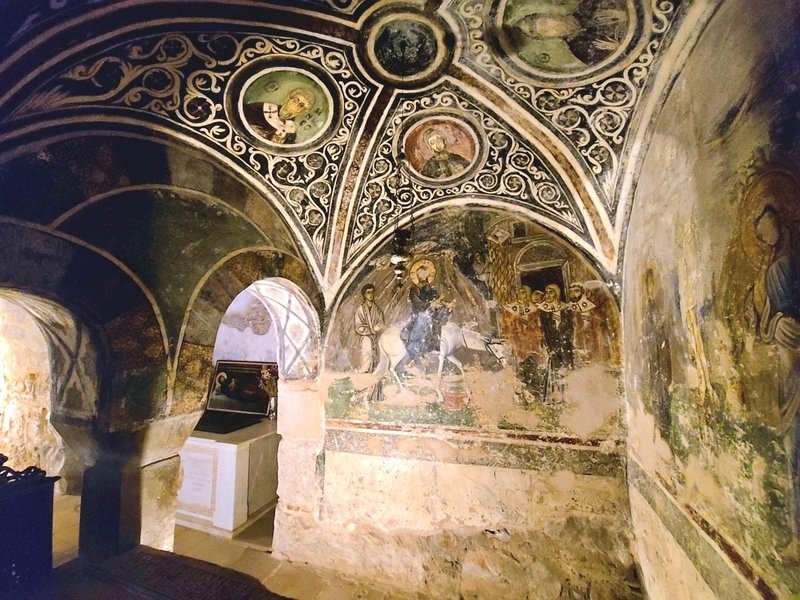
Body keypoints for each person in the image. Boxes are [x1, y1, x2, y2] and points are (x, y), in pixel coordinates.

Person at [745, 202, 800, 560]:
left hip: (792, 358)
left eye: (769, 230)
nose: (766, 239)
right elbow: (764, 320)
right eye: (761, 235)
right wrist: (767, 324)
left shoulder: (788, 265)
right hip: (785, 364)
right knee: (791, 446)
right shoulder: (770, 268)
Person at [400, 260, 450, 363]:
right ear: (417, 276)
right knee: (424, 322)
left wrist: (445, 305)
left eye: (425, 275)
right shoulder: (414, 290)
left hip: (432, 315)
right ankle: (419, 352)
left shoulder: (432, 290)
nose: (423, 278)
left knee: (439, 320)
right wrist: (432, 304)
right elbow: (418, 304)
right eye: (420, 275)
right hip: (419, 315)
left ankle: (438, 347)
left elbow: (437, 302)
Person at [242, 87, 316, 144]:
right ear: (288, 99)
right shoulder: (263, 107)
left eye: (301, 106)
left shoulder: (291, 133)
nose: (295, 106)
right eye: (295, 100)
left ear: (302, 111)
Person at [538, 283, 574, 370]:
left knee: (568, 365)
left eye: (551, 292)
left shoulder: (565, 308)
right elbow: (544, 329)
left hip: (566, 343)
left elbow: (570, 326)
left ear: (557, 294)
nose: (548, 295)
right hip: (552, 344)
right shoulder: (543, 310)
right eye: (546, 292)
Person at [354, 283, 386, 372]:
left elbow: (382, 323)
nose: (371, 295)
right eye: (368, 293)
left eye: (372, 292)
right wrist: (372, 330)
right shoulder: (360, 310)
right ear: (364, 294)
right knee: (367, 350)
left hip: (375, 337)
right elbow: (358, 326)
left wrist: (379, 327)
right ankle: (364, 370)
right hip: (365, 337)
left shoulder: (377, 309)